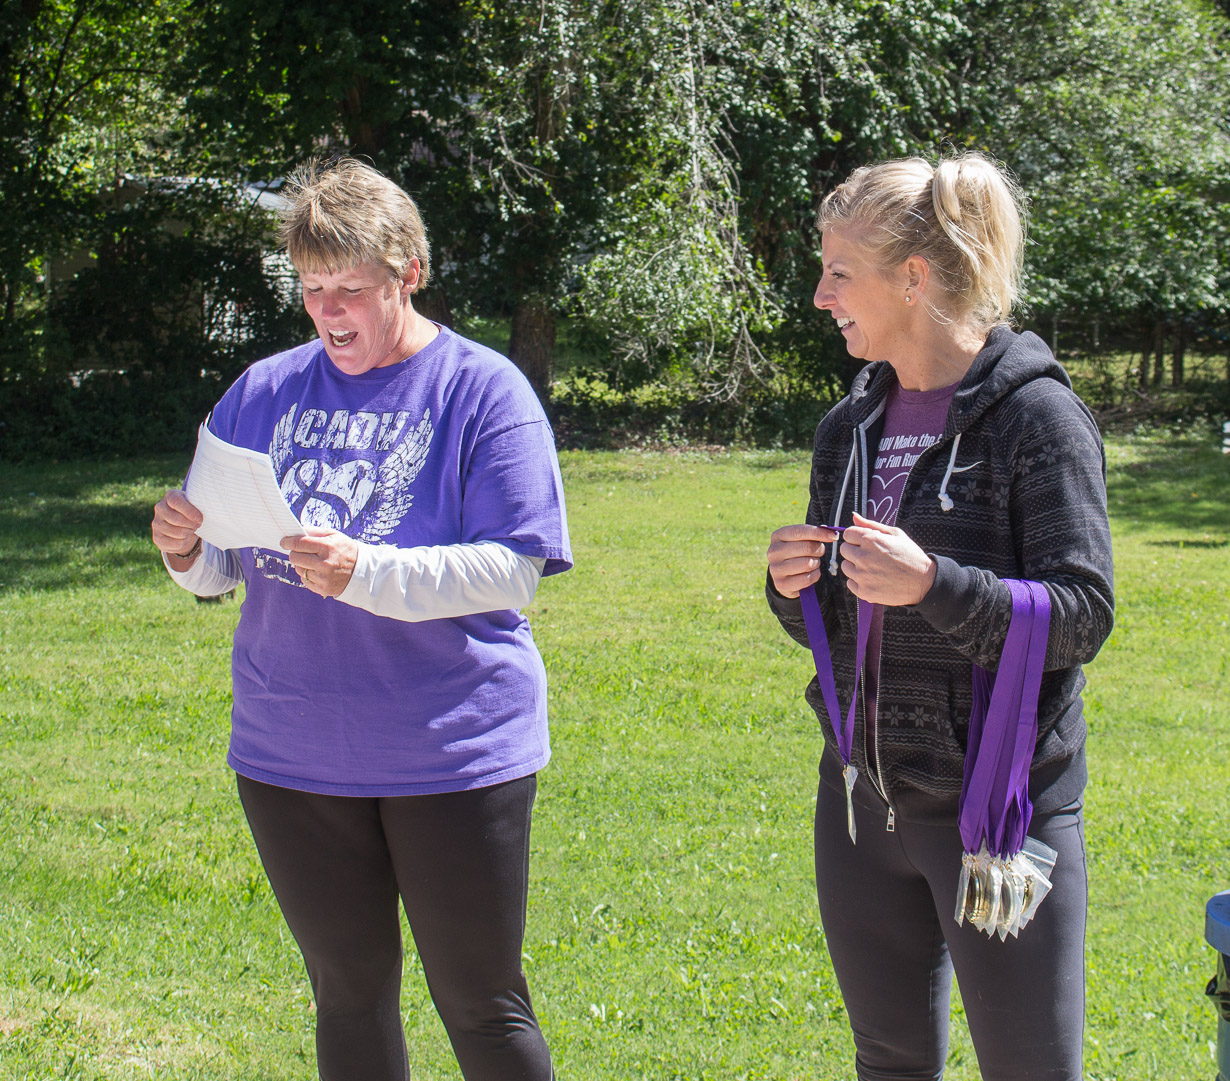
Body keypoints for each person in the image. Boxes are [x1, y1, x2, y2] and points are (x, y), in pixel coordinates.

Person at [151, 158, 571, 1081]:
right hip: (291, 752)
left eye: (349, 287)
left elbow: (515, 567)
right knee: (346, 992)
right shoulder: (263, 391)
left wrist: (364, 572)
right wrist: (185, 550)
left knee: (481, 1002)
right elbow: (221, 567)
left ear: (407, 273)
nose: (329, 310)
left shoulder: (484, 390)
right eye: (311, 289)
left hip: (451, 750)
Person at [765, 153, 1113, 1080]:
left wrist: (934, 584)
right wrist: (794, 589)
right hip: (861, 803)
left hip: (997, 814)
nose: (820, 295)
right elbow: (837, 626)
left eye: (839, 272)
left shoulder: (1038, 419)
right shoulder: (849, 427)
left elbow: (1083, 614)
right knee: (887, 1061)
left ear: (913, 278)